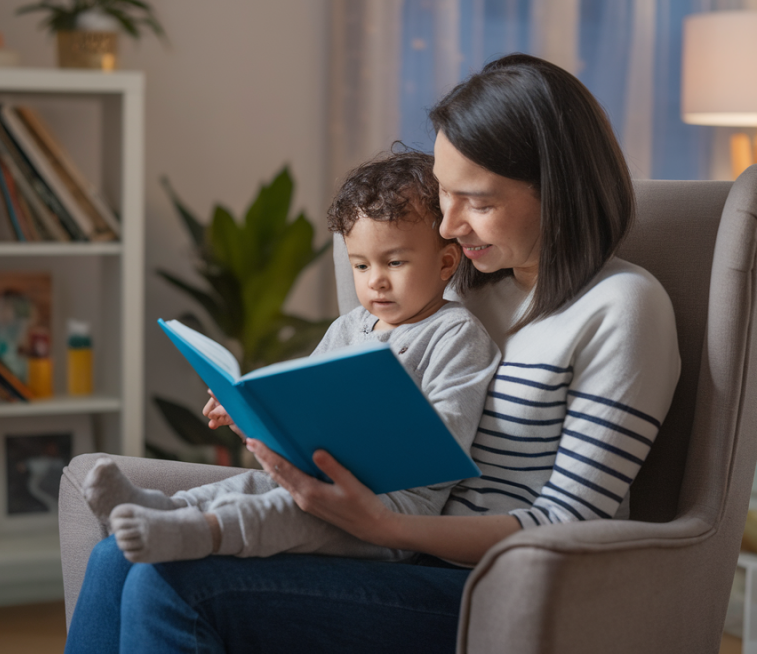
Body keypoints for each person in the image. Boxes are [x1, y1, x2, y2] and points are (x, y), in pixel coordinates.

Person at [63, 53, 681, 654]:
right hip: (395, 549)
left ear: (562, 191)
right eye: (445, 195)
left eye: (481, 203)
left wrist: (384, 527)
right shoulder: (456, 285)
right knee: (118, 551)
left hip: (494, 588)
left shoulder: (622, 308)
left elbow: (569, 524)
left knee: (172, 580)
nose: (448, 227)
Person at [79, 151, 500, 564]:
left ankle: (197, 533)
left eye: (394, 262)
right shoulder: (349, 327)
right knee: (252, 485)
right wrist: (252, 417)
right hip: (324, 480)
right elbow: (302, 410)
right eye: (360, 265)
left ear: (446, 262)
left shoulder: (455, 333)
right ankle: (160, 508)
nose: (376, 282)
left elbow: (448, 437)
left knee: (289, 511)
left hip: (393, 511)